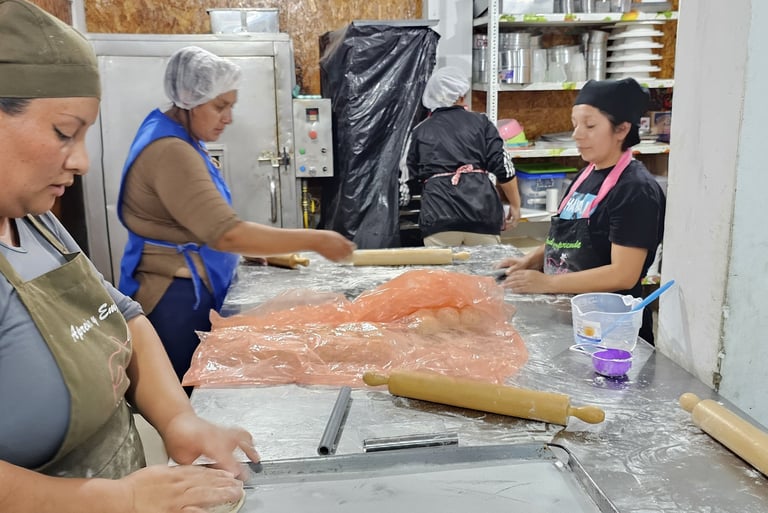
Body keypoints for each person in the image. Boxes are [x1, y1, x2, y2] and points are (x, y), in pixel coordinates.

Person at [0, 1, 261, 511]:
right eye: (64, 132)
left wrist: (178, 419)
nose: (82, 160)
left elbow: (121, 316)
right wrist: (114, 499)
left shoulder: (34, 220)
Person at [116, 46, 355, 389]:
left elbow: (195, 220)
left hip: (186, 286)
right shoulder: (172, 150)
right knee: (186, 392)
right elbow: (225, 233)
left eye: (231, 106)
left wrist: (244, 250)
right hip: (174, 300)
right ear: (189, 100)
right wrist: (316, 239)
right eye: (220, 106)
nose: (228, 117)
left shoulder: (174, 133)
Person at [495, 78, 666, 344]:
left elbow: (623, 274)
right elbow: (571, 235)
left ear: (622, 129)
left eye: (590, 125)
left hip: (608, 330)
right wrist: (532, 259)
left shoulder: (635, 189)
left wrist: (547, 284)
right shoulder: (587, 174)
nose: (577, 134)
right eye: (575, 124)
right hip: (570, 319)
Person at [399, 66, 521, 247]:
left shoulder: (420, 131)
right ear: (462, 96)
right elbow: (504, 167)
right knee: (486, 266)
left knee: (443, 267)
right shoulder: (482, 123)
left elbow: (406, 180)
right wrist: (515, 206)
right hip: (482, 215)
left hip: (439, 217)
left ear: (431, 97)